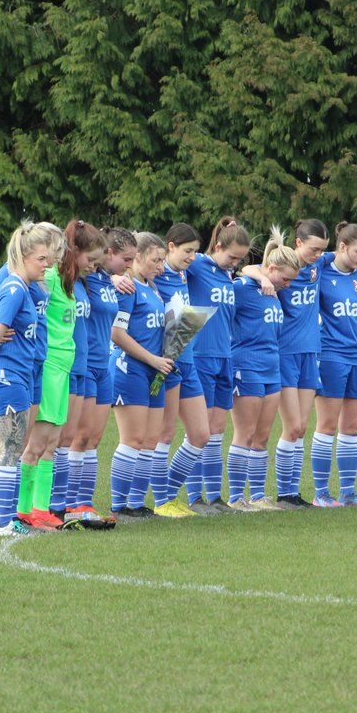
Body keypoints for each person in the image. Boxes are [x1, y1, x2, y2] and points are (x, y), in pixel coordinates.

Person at [257, 219, 357, 508]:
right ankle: (303, 493)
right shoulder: (285, 267)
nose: (318, 254)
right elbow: (252, 270)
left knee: (303, 427)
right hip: (301, 354)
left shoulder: (320, 264)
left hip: (312, 354)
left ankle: (331, 493)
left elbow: (347, 256)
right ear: (298, 243)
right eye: (314, 249)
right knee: (300, 427)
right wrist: (262, 277)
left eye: (321, 250)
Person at [0, 221, 62, 535]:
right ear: (23, 257)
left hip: (22, 372)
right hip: (6, 375)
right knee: (9, 449)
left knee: (15, 448)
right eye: (42, 259)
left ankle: (9, 520)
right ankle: (2, 523)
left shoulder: (25, 285)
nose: (47, 265)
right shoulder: (13, 287)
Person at [226, 229, 301, 511]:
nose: (288, 285)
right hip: (246, 366)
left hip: (272, 368)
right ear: (270, 268)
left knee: (262, 436)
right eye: (285, 278)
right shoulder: (243, 288)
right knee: (244, 434)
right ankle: (236, 498)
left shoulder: (273, 293)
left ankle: (257, 496)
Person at [309, 222, 357, 507]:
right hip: (330, 356)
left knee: (351, 428)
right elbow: (311, 256)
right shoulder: (322, 270)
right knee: (326, 426)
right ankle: (321, 494)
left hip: (356, 358)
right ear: (341, 247)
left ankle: (349, 493)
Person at [44, 221, 109, 528]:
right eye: (91, 260)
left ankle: (64, 506)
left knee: (67, 438)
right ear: (75, 252)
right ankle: (49, 507)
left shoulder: (79, 282)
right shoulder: (52, 277)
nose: (94, 267)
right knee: (51, 440)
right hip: (59, 366)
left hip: (79, 367)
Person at [185, 218, 254, 510]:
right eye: (232, 257)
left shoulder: (228, 274)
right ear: (218, 246)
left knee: (217, 428)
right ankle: (193, 495)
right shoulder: (198, 264)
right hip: (200, 355)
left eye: (240, 259)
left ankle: (214, 495)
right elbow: (163, 264)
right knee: (198, 432)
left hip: (224, 356)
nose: (235, 264)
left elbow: (254, 270)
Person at [68, 228, 137, 521]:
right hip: (80, 366)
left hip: (102, 367)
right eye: (126, 259)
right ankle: (69, 504)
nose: (129, 265)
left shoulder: (109, 282)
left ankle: (85, 504)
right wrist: (110, 276)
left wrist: (113, 278)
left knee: (93, 439)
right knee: (77, 437)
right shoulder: (82, 278)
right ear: (108, 254)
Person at [107, 232, 174, 519]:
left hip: (154, 371)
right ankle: (118, 504)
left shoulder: (153, 289)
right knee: (132, 439)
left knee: (151, 439)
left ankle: (136, 503)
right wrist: (152, 359)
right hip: (130, 369)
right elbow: (117, 334)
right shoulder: (128, 288)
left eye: (162, 261)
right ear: (138, 258)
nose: (160, 267)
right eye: (155, 260)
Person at [147, 223, 210, 517]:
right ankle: (161, 502)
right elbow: (127, 270)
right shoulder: (155, 276)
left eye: (196, 252)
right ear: (170, 246)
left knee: (200, 434)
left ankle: (169, 495)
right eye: (187, 251)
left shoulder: (187, 272)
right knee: (165, 433)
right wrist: (121, 277)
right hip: (166, 363)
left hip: (189, 360)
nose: (192, 257)